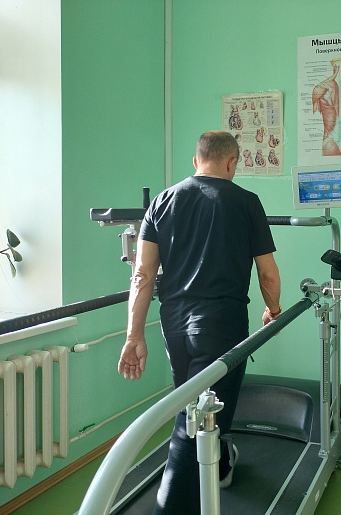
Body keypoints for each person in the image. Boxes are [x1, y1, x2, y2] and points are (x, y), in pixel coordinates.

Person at [117, 130, 282, 514]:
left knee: (199, 406)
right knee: (193, 420)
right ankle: (169, 508)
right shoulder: (246, 201)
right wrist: (273, 310)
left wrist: (134, 335)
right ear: (232, 163)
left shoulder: (162, 201)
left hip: (174, 327)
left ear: (196, 161)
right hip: (222, 326)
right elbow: (268, 274)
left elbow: (142, 274)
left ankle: (220, 467)